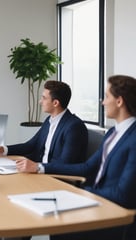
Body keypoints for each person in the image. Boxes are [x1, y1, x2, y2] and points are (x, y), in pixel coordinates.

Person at [37, 75, 136, 240]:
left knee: (60, 227)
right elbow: (87, 168)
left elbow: (123, 195)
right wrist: (40, 168)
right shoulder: (113, 133)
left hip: (116, 215)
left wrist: (82, 193)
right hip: (99, 202)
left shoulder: (133, 138)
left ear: (119, 101)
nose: (103, 102)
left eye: (107, 97)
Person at [0, 80, 88, 172]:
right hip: (40, 172)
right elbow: (30, 145)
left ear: (55, 103)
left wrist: (37, 167)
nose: (40, 102)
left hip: (55, 177)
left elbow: (66, 164)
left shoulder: (74, 127)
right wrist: (4, 149)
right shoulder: (49, 120)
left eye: (44, 98)